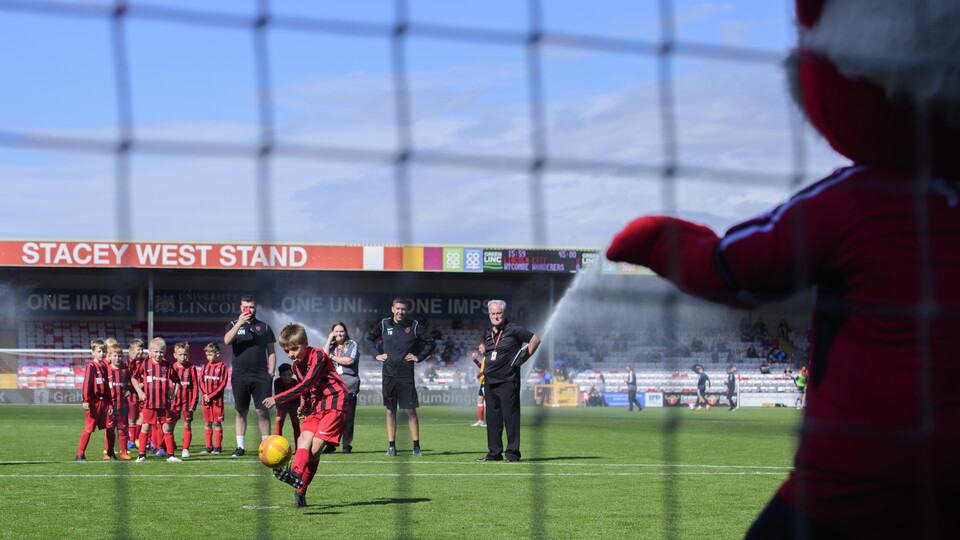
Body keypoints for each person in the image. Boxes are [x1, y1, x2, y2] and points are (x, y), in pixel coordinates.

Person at [264, 323, 350, 509]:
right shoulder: (296, 368)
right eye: (287, 351)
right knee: (303, 439)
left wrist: (276, 398)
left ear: (306, 343)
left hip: (335, 401)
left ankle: (300, 489)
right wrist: (304, 405)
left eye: (294, 349)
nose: (291, 354)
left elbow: (306, 385)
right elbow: (307, 392)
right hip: (315, 406)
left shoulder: (318, 355)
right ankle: (295, 474)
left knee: (314, 450)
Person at [365, 298, 436, 457]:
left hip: (406, 375)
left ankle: (416, 446)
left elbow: (431, 342)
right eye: (398, 308)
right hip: (388, 374)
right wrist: (376, 355)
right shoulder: (384, 324)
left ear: (406, 311)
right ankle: (391, 446)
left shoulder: (414, 326)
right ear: (392, 309)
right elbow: (368, 338)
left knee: (410, 411)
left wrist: (418, 357)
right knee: (390, 410)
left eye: (403, 309)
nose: (400, 312)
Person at [475, 299, 540, 463]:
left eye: (498, 313)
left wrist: (523, 359)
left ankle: (512, 454)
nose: (496, 316)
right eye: (493, 314)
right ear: (489, 315)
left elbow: (535, 340)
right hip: (490, 381)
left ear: (505, 314)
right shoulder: (488, 332)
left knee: (510, 419)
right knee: (493, 420)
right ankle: (494, 453)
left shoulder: (514, 330)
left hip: (508, 381)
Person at [224, 295, 277, 458]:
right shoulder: (233, 325)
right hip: (240, 376)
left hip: (261, 376)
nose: (249, 310)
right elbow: (226, 341)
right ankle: (240, 447)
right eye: (246, 307)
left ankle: (266, 446)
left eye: (252, 307)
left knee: (262, 412)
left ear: (256, 308)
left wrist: (271, 373)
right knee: (241, 411)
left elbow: (271, 352)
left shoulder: (265, 327)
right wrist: (240, 323)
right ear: (241, 308)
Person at [131, 337, 181, 463]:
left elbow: (177, 381)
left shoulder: (167, 365)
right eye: (156, 352)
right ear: (150, 352)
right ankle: (141, 455)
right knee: (146, 428)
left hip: (164, 404)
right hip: (149, 403)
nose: (159, 355)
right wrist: (140, 392)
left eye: (161, 352)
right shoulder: (145, 364)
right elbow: (134, 378)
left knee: (167, 429)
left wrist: (173, 394)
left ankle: (171, 455)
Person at [326, 321, 360, 454]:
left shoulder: (352, 344)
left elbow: (349, 360)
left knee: (348, 417)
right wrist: (329, 340)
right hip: (333, 386)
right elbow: (323, 356)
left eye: (341, 331)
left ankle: (346, 445)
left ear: (346, 333)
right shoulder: (332, 346)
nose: (339, 334)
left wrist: (332, 357)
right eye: (336, 331)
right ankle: (330, 444)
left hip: (349, 385)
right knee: (332, 417)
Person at [76, 339, 111, 461]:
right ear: (93, 353)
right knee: (89, 428)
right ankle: (80, 454)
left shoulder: (105, 367)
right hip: (94, 402)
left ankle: (109, 452)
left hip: (105, 402)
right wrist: (85, 400)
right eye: (99, 351)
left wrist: (110, 403)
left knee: (110, 427)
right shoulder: (91, 366)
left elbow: (107, 386)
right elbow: (87, 384)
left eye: (104, 351)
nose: (102, 354)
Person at [170, 342, 198, 458]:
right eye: (180, 354)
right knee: (170, 426)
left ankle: (185, 449)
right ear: (175, 355)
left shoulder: (191, 368)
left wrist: (194, 401)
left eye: (185, 354)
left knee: (187, 425)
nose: (183, 357)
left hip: (187, 401)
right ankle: (169, 447)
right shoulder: (172, 368)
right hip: (174, 402)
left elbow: (195, 386)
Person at [198, 342, 228, 454]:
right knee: (207, 423)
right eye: (207, 355)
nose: (208, 357)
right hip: (206, 401)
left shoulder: (222, 366)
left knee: (216, 423)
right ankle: (208, 447)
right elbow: (200, 382)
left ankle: (218, 447)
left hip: (217, 401)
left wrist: (210, 396)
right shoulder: (205, 366)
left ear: (218, 354)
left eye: (211, 354)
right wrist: (204, 395)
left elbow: (223, 383)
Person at [104, 342, 132, 459]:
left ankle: (124, 452)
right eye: (114, 356)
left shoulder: (125, 371)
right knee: (110, 429)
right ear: (109, 357)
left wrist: (130, 390)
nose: (117, 358)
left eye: (119, 356)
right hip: (110, 407)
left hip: (123, 406)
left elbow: (131, 384)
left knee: (123, 430)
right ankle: (108, 451)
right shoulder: (106, 370)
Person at [273, 363, 301, 446]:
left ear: (292, 374)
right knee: (279, 424)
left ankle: (298, 448)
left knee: (296, 426)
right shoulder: (277, 382)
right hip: (282, 407)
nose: (287, 377)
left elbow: (298, 398)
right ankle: (277, 447)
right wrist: (278, 411)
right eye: (284, 375)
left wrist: (298, 410)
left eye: (289, 375)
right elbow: (277, 397)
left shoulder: (295, 383)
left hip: (294, 407)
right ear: (280, 375)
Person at [125, 339, 145, 452]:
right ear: (132, 350)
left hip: (143, 394)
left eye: (142, 349)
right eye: (138, 349)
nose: (140, 351)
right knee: (131, 419)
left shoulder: (144, 362)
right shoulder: (127, 364)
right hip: (131, 395)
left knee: (143, 417)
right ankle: (132, 441)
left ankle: (138, 439)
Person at [470, 351, 486, 427]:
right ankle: (480, 420)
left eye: (480, 348)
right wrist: (475, 360)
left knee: (490, 402)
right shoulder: (484, 358)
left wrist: (477, 376)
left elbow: (487, 370)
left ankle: (492, 421)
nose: (479, 350)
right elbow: (482, 367)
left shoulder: (489, 357)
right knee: (480, 400)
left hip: (487, 382)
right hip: (483, 382)